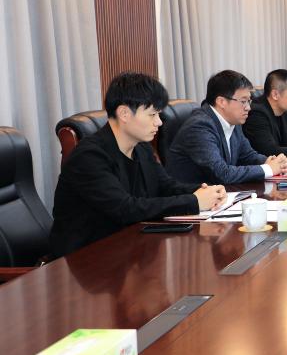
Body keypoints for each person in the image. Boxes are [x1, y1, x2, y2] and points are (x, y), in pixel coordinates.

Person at [50, 73, 227, 257]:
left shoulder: (141, 148)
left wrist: (205, 191)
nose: (159, 122)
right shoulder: (89, 157)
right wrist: (194, 201)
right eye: (152, 114)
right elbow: (125, 209)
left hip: (128, 249)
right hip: (85, 259)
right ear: (124, 114)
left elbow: (166, 187)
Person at [166, 70, 287, 184]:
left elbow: (247, 155)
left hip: (222, 194)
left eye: (249, 101)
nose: (248, 107)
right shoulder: (200, 127)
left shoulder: (233, 121)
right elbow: (222, 174)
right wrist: (268, 169)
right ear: (222, 102)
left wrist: (270, 161)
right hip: (193, 197)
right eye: (243, 101)